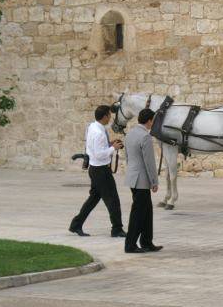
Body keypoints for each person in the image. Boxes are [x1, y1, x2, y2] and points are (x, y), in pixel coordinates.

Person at [69, 105, 125, 237]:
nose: (110, 118)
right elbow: (100, 154)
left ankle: (76, 224)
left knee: (93, 199)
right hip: (101, 171)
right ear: (105, 116)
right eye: (109, 116)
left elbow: (95, 148)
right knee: (113, 200)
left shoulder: (92, 127)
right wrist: (113, 148)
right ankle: (117, 229)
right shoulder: (99, 132)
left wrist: (110, 144)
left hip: (95, 169)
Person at [123, 108, 163, 253]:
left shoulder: (130, 134)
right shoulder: (145, 136)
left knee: (146, 211)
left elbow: (127, 156)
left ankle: (146, 241)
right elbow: (149, 162)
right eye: (153, 121)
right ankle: (130, 244)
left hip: (132, 177)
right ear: (149, 121)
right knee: (138, 213)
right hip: (142, 180)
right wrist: (154, 181)